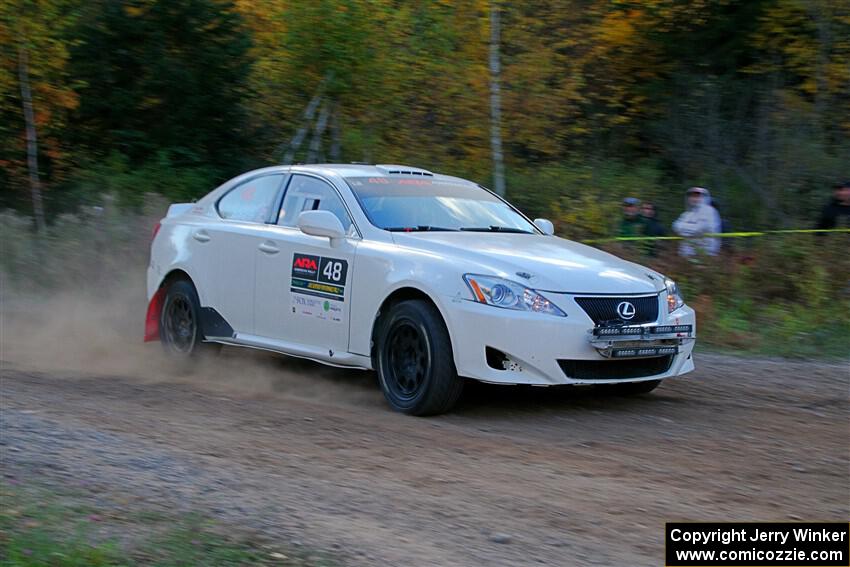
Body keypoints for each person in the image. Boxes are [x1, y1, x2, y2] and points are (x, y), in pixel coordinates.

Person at [672, 186, 722, 257]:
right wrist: (691, 229)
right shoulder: (686, 214)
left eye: (697, 196)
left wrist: (684, 228)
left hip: (706, 253)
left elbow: (699, 229)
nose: (694, 198)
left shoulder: (709, 211)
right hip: (687, 254)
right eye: (692, 196)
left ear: (704, 197)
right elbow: (675, 226)